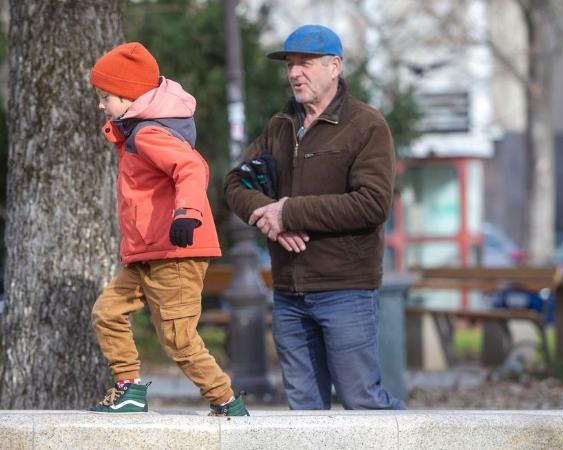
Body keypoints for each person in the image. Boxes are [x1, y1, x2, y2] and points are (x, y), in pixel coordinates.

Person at [223, 25, 403, 410]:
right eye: (289, 65)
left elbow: (372, 203)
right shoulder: (280, 125)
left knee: (362, 403)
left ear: (335, 66)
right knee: (304, 413)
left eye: (304, 63)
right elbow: (234, 183)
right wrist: (267, 216)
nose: (293, 73)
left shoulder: (367, 125)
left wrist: (289, 211)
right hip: (289, 293)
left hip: (346, 290)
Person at [87, 42, 248, 416]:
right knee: (107, 312)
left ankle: (227, 402)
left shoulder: (148, 135)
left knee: (178, 339)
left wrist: (186, 214)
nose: (101, 105)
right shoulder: (135, 134)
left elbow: (191, 168)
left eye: (105, 96)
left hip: (176, 251)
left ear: (128, 97)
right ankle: (129, 389)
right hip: (147, 253)